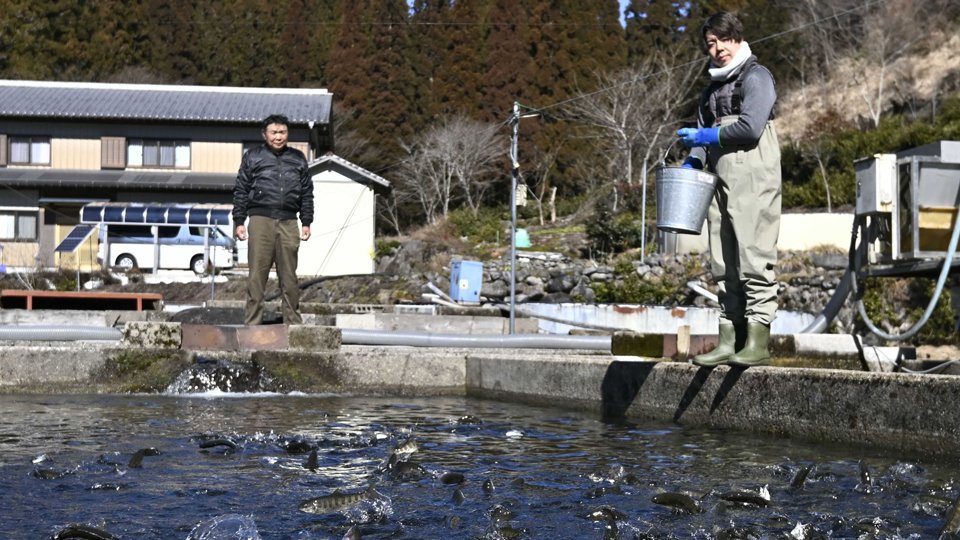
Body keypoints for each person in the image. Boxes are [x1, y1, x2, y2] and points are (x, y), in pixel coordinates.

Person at [676, 11, 781, 367]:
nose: (717, 48)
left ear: (736, 38)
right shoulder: (711, 91)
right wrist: (693, 160)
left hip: (753, 171)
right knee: (723, 258)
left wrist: (707, 135)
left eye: (723, 40)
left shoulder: (756, 77)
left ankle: (758, 339)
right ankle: (729, 338)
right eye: (710, 43)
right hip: (719, 175)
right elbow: (702, 140)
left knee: (754, 254)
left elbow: (751, 128)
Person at [233, 114, 314, 326]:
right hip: (260, 220)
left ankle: (293, 325)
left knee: (289, 277)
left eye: (282, 132)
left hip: (289, 221)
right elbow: (241, 189)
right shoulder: (253, 156)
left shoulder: (298, 158)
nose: (278, 137)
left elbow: (307, 192)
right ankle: (252, 325)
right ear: (264, 134)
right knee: (256, 277)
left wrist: (306, 221)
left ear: (288, 134)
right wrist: (239, 221)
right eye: (274, 132)